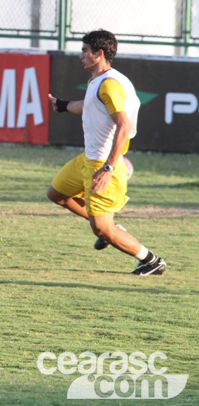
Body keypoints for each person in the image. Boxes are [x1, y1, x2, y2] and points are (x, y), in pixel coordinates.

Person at [47, 29, 166, 276]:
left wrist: (108, 168)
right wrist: (64, 105)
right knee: (57, 194)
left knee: (101, 231)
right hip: (87, 159)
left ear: (98, 53)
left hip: (103, 162)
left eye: (84, 50)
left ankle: (151, 261)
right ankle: (113, 226)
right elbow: (89, 106)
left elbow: (123, 125)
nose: (80, 55)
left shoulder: (110, 85)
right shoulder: (99, 80)